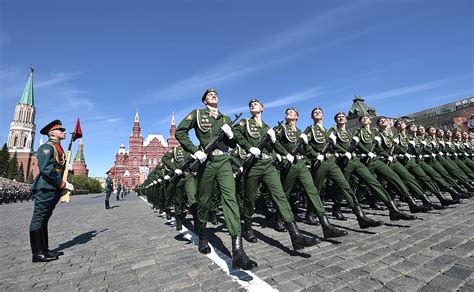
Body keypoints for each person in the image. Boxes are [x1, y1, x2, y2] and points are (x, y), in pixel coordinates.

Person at [175, 88, 256, 270]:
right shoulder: (197, 114)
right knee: (203, 201)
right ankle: (203, 235)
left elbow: (233, 144)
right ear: (204, 101)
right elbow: (180, 132)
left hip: (224, 161)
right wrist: (195, 151)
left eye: (216, 94)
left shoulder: (226, 119)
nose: (214, 95)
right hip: (206, 163)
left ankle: (238, 252)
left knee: (230, 200)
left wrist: (230, 135)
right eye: (210, 95)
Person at [233, 99, 321, 247]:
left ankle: (295, 234)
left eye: (256, 104)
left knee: (280, 196)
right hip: (253, 166)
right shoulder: (245, 122)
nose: (252, 105)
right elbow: (236, 134)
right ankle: (248, 228)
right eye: (250, 104)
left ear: (262, 108)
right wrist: (248, 147)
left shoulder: (267, 127)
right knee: (250, 199)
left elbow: (276, 144)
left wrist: (285, 154)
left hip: (268, 165)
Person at [304, 107, 382, 228]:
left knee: (345, 186)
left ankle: (360, 216)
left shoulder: (327, 131)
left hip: (331, 162)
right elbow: (305, 145)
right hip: (320, 163)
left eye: (320, 112)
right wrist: (315, 155)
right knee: (317, 190)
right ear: (312, 117)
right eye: (315, 112)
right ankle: (309, 213)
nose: (317, 113)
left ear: (323, 116)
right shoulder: (311, 129)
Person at [29, 120, 74, 262]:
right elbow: (46, 170)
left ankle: (45, 250)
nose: (64, 132)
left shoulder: (57, 148)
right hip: (46, 187)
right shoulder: (46, 148)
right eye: (61, 130)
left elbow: (58, 167)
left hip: (52, 188)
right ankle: (37, 254)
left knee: (44, 219)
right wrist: (61, 183)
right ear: (52, 133)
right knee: (38, 219)